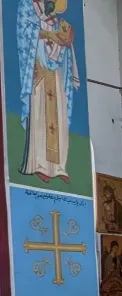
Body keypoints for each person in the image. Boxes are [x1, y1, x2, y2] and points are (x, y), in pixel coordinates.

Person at [16, 0, 80, 184]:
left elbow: (59, 33)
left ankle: (59, 166)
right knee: (39, 115)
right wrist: (48, 35)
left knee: (58, 116)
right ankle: (38, 164)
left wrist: (66, 38)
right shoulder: (27, 5)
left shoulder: (53, 15)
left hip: (55, 70)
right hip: (38, 67)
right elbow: (25, 32)